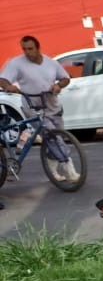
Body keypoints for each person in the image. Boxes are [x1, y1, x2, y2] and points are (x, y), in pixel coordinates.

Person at [0, 35, 75, 193]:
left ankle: (52, 166)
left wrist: (58, 86)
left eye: (30, 48)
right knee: (54, 137)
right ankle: (70, 171)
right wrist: (9, 87)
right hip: (32, 107)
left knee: (57, 137)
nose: (27, 52)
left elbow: (65, 78)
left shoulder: (50, 63)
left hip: (52, 105)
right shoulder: (16, 63)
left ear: (38, 48)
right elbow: (3, 79)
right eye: (24, 49)